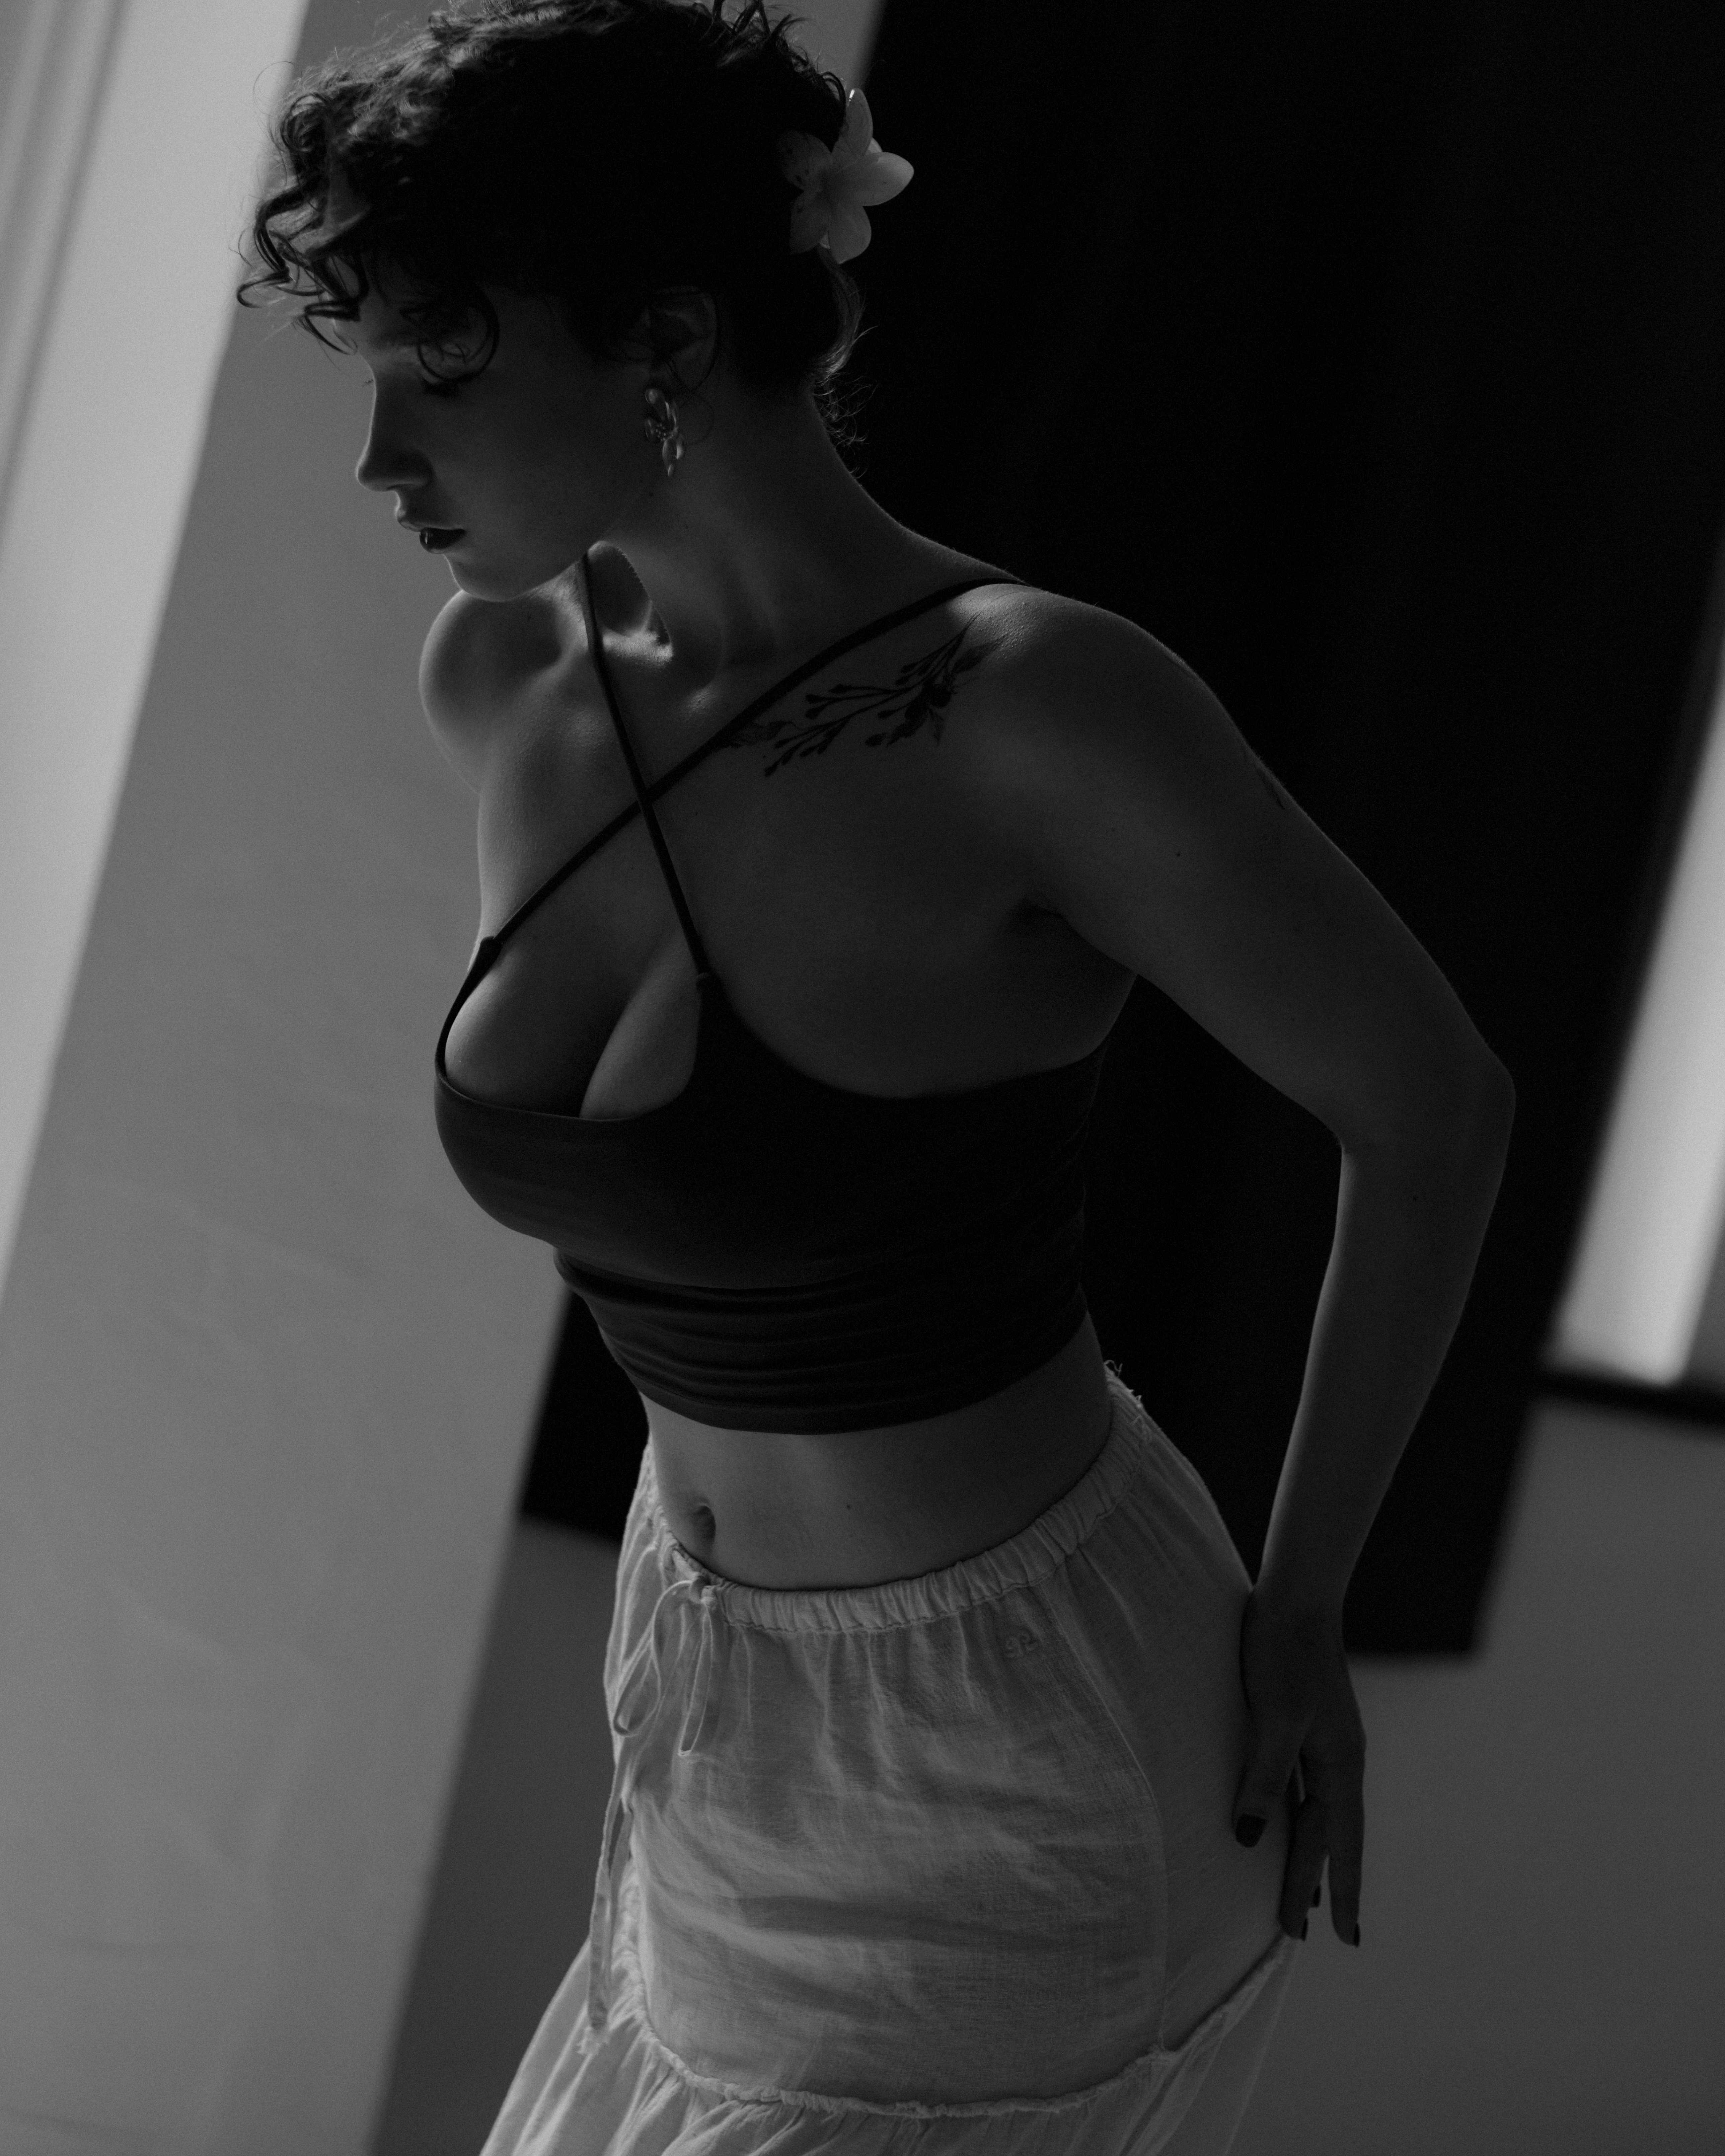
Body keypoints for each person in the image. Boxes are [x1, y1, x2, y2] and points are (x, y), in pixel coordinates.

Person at [237, 2, 1514, 2148]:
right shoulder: (513, 678)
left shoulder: (1036, 709)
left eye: (439, 372)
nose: (382, 461)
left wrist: (1307, 1602)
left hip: (1021, 1754)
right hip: (703, 1704)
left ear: (666, 337)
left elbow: (1435, 1107)